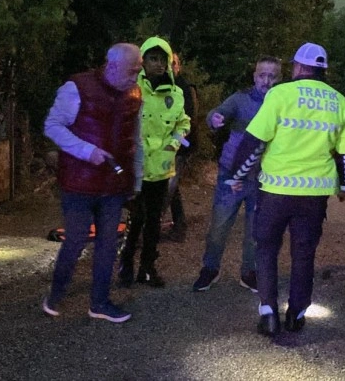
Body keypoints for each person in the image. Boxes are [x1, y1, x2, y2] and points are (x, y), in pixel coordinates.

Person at [228, 43, 345, 336]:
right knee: (304, 253)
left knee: (266, 249)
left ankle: (268, 313)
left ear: (298, 67)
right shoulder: (340, 102)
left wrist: (237, 174)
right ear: (323, 71)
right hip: (314, 195)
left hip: (275, 190)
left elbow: (255, 140)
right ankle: (297, 314)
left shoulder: (280, 94)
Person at [42, 43, 143, 323]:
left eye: (138, 71)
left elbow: (135, 139)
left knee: (108, 244)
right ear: (112, 66)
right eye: (132, 71)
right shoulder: (77, 88)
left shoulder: (134, 94)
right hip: (79, 183)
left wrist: (136, 179)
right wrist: (88, 151)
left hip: (113, 184)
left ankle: (99, 302)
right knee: (75, 240)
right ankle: (55, 294)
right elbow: (52, 126)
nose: (136, 77)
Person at [192, 56, 282, 293]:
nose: (266, 81)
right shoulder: (240, 99)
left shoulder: (283, 103)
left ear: (280, 78)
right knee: (219, 226)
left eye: (272, 76)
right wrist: (214, 118)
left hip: (264, 178)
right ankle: (210, 268)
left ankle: (249, 273)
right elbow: (217, 112)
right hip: (232, 174)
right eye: (262, 75)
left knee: (256, 231)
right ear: (254, 76)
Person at [118, 37, 190, 288]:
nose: (158, 64)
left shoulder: (176, 94)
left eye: (163, 59)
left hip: (161, 169)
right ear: (143, 61)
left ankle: (147, 267)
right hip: (136, 169)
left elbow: (183, 123)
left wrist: (174, 144)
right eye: (153, 58)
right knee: (136, 218)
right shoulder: (130, 90)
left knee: (154, 221)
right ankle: (126, 263)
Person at [161, 53, 198, 243]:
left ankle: (149, 229)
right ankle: (179, 226)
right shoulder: (161, 86)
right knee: (171, 188)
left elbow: (187, 119)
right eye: (168, 63)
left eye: (174, 63)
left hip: (180, 147)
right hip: (164, 146)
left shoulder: (184, 88)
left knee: (166, 189)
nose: (170, 66)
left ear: (179, 66)